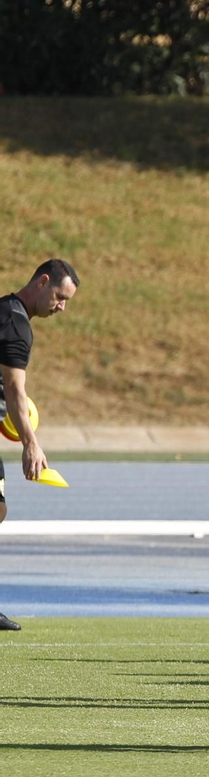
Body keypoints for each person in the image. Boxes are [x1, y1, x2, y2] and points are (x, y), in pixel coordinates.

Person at [0, 258, 81, 632]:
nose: (62, 308)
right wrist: (31, 443)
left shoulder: (4, 309)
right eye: (60, 298)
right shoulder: (16, 324)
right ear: (43, 281)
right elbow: (16, 389)